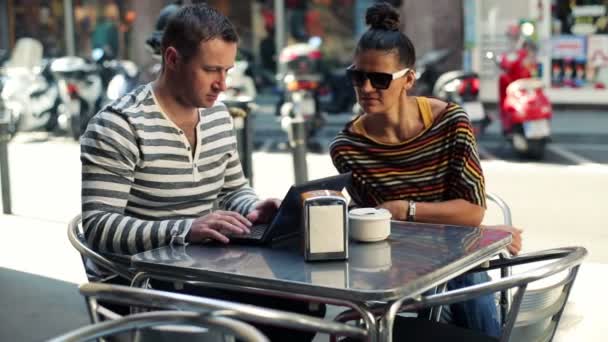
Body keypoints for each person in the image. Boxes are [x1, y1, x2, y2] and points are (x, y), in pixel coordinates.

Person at [81, 4, 323, 341]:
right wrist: (186, 229)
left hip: (203, 268)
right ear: (172, 59)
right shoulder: (118, 125)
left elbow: (232, 188)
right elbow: (97, 226)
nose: (222, 84)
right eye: (211, 70)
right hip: (139, 284)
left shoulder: (218, 116)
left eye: (228, 70)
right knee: (290, 313)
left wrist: (251, 208)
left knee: (306, 303)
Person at [329, 2, 523, 338]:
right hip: (394, 272)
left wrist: (406, 209)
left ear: (408, 80)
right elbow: (376, 226)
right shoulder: (348, 147)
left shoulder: (450, 122)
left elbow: (472, 212)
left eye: (379, 79)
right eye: (357, 76)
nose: (366, 87)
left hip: (454, 262)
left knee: (466, 273)